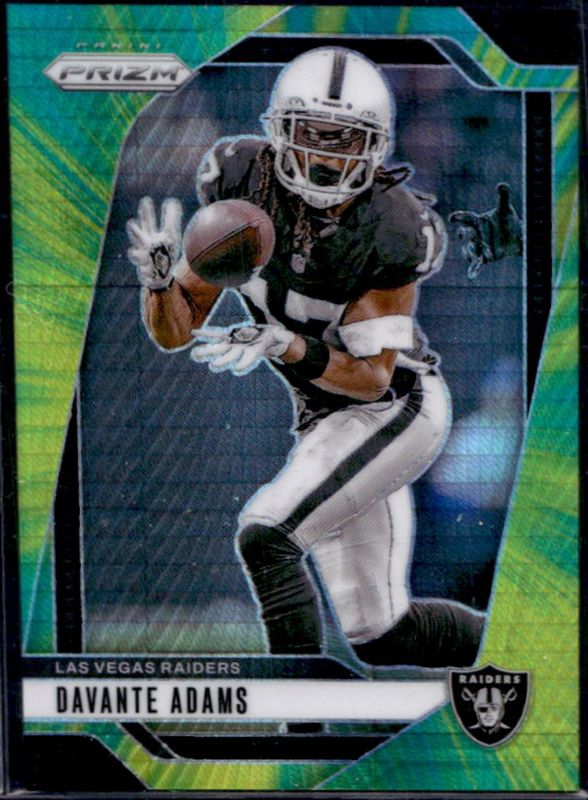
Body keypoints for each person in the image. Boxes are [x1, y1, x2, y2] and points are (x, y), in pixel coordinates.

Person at [127, 47, 486, 668]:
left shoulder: (390, 225)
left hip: (396, 408)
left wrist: (286, 343)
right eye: (312, 134)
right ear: (278, 131)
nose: (326, 156)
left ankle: (295, 708)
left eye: (346, 139)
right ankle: (530, 651)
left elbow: (371, 381)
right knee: (382, 635)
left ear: (376, 147)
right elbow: (176, 332)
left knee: (267, 534)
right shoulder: (242, 184)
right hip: (328, 417)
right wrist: (160, 284)